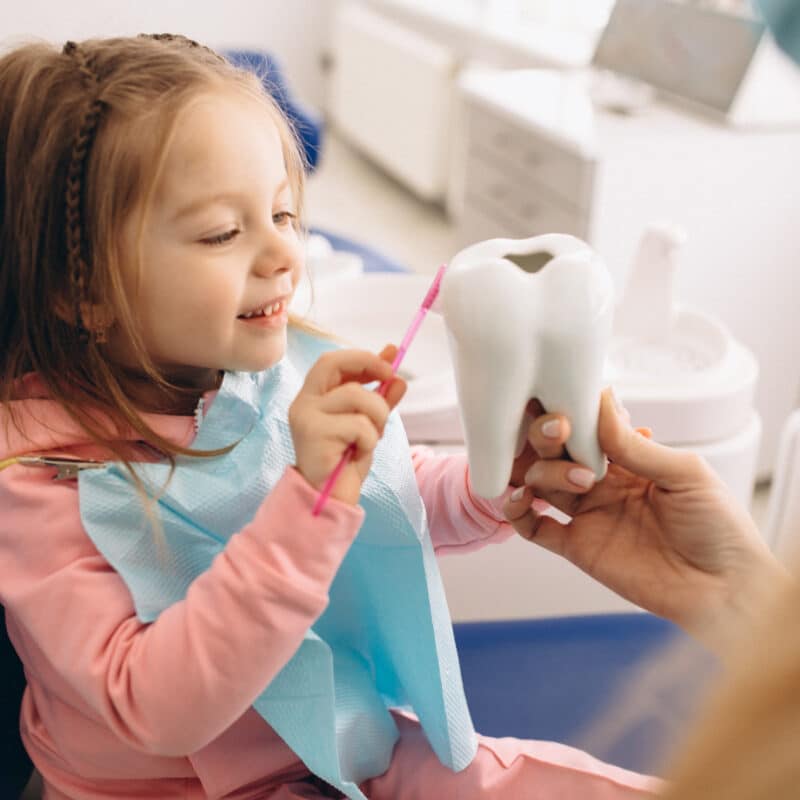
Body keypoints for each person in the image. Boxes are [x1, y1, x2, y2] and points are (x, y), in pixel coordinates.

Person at [0, 33, 662, 800]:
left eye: (283, 213)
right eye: (223, 232)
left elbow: (386, 492)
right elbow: (153, 706)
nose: (283, 253)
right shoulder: (38, 480)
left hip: (330, 741)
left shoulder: (268, 371)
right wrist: (307, 500)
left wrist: (492, 484)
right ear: (79, 292)